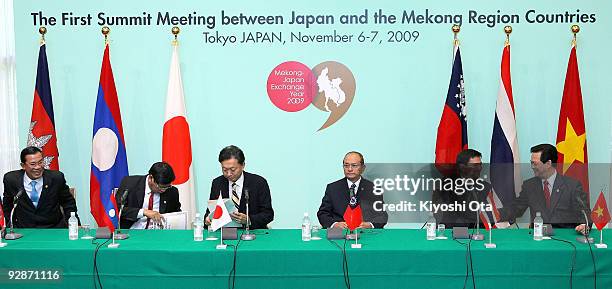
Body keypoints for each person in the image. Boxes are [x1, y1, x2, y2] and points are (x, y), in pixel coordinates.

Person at [499, 144, 589, 232]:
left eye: (535, 164)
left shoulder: (572, 186)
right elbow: (516, 209)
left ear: (548, 163)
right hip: (537, 238)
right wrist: (491, 214)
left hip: (565, 239)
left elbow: (584, 212)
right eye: (531, 163)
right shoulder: (529, 186)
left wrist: (584, 225)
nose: (532, 167)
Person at [2, 146, 79, 228]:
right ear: (23, 165)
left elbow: (68, 203)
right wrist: (10, 227)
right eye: (33, 164)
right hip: (24, 230)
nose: (38, 167)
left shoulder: (56, 178)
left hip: (53, 229)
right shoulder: (11, 179)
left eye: (40, 162)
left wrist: (75, 225)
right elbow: (8, 206)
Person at [205, 145, 273, 229]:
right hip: (225, 234)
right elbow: (210, 212)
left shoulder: (258, 182)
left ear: (243, 165)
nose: (229, 174)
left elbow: (268, 214)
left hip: (252, 233)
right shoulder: (217, 183)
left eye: (233, 169)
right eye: (224, 170)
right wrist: (208, 219)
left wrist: (249, 220)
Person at [317, 151, 388, 229]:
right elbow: (322, 213)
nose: (349, 169)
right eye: (346, 165)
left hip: (366, 234)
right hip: (339, 234)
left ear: (362, 168)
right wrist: (335, 224)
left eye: (354, 165)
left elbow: (382, 215)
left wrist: (370, 225)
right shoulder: (332, 188)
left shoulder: (374, 188)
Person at [432, 149, 492, 228]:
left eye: (480, 165)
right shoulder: (445, 185)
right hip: (449, 232)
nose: (479, 168)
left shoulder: (485, 187)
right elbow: (443, 213)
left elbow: (486, 215)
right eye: (475, 166)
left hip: (477, 234)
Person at [116, 162, 181, 229]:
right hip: (133, 232)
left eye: (167, 187)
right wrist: (144, 212)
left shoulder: (172, 191)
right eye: (160, 187)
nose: (163, 190)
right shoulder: (130, 183)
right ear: (151, 178)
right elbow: (117, 209)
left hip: (159, 234)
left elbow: (176, 214)